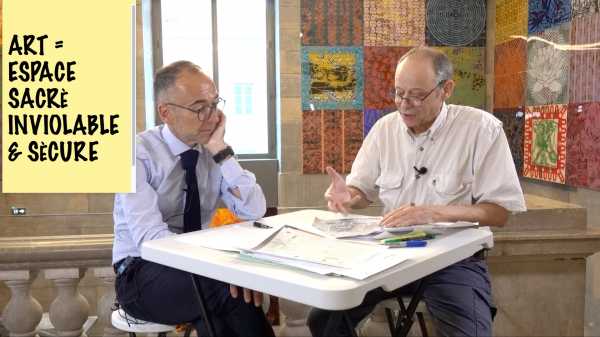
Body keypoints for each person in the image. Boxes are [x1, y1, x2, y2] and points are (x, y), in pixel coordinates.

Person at [309, 47, 526, 337]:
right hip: (389, 255)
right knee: (323, 317)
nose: (404, 105)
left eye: (416, 95)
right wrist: (349, 196)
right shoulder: (384, 129)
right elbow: (362, 192)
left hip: (454, 261)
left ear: (445, 89)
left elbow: (499, 212)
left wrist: (431, 213)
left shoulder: (481, 129)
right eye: (399, 93)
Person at [112, 60, 274, 337]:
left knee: (220, 305)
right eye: (200, 108)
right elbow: (150, 239)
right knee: (230, 291)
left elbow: (254, 209)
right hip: (139, 273)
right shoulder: (135, 154)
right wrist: (218, 267)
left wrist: (220, 149)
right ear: (166, 113)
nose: (212, 116)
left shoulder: (211, 152)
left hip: (195, 269)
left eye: (214, 104)